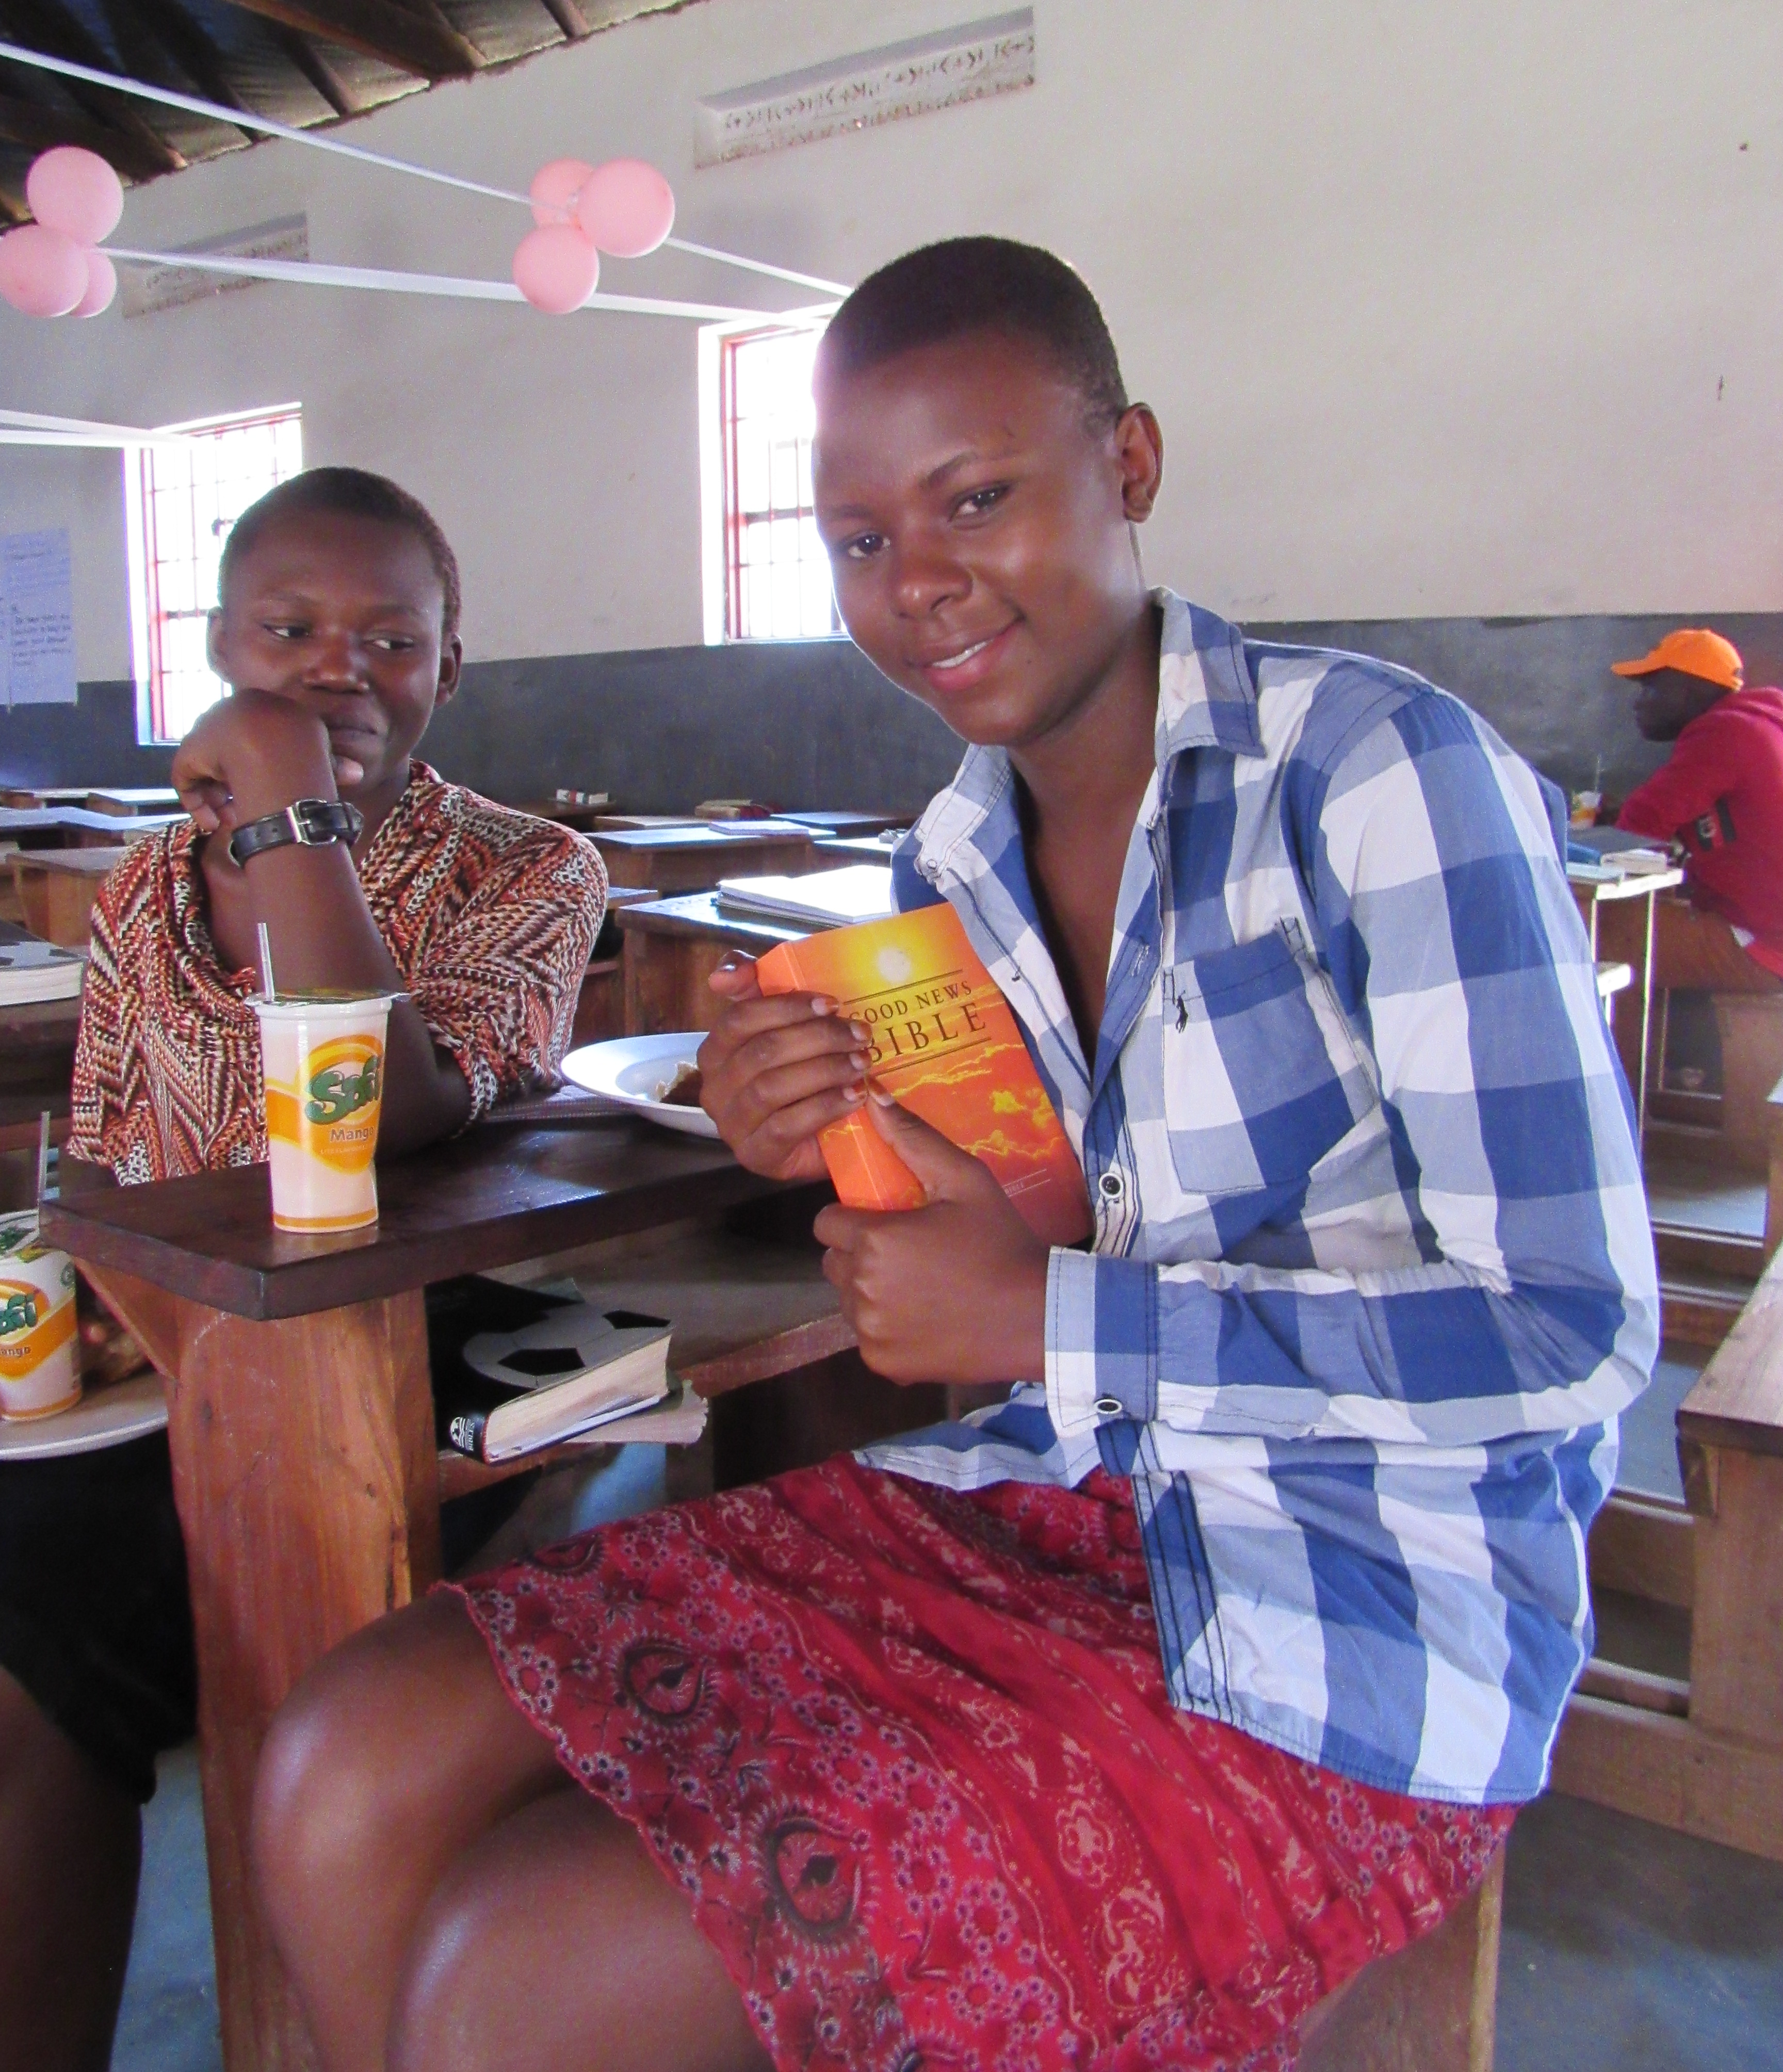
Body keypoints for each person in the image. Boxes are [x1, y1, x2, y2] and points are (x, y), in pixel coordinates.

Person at [251, 245, 1657, 2072]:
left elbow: (1566, 1330)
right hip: (1040, 1495)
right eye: (857, 539)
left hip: (1353, 1621)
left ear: (1129, 462)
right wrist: (812, 1129)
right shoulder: (952, 860)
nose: (914, 583)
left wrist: (1043, 1312)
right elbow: (1042, 1226)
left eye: (974, 499)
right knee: (344, 1756)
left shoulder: (1382, 776)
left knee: (521, 1974)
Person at [0, 467, 606, 2072]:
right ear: (217, 648)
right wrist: (78, 1324)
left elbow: (395, 1110)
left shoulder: (528, 869)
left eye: (390, 641)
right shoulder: (138, 887)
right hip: (157, 1364)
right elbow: (102, 1163)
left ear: (448, 669)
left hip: (395, 1356)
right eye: (289, 634)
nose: (341, 672)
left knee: (27, 1635)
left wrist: (290, 825)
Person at [1611, 628, 1783, 994]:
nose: (1638, 704)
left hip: (1766, 949)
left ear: (1686, 690)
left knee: (1598, 929)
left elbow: (1641, 824)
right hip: (1767, 932)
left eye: (1651, 689)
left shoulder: (1727, 731)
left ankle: (1608, 1036)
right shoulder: (1763, 726)